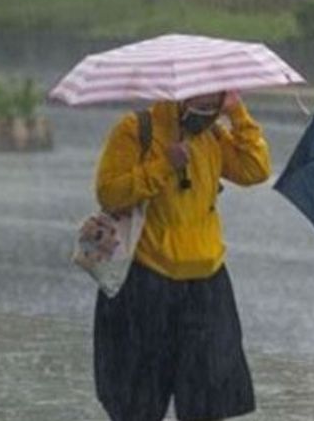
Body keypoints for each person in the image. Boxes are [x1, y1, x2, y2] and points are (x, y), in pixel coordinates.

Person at [92, 90, 270, 421]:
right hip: (146, 281)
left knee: (208, 403)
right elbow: (109, 193)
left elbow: (254, 169)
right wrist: (163, 166)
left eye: (214, 102)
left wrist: (239, 115)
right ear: (179, 92)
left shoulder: (214, 134)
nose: (206, 110)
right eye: (199, 101)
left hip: (206, 284)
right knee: (137, 403)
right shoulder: (135, 130)